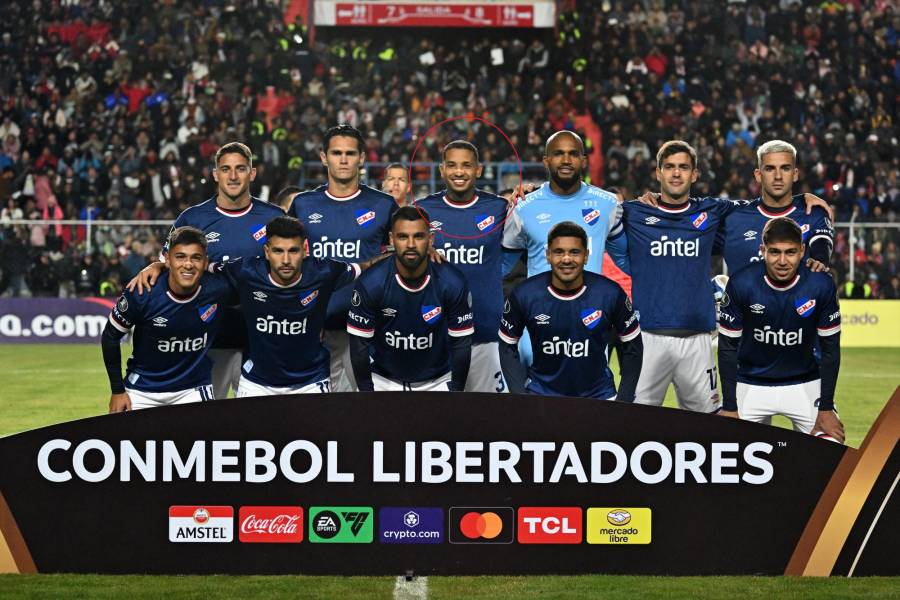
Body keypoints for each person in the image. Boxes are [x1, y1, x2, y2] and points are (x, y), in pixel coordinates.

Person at [131, 216, 388, 396]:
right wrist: (158, 265)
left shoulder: (324, 271)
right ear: (266, 251)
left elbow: (367, 266)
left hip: (311, 382)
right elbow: (196, 267)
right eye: (278, 251)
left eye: (293, 251)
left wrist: (407, 256)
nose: (285, 259)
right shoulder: (244, 270)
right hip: (256, 385)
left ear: (304, 251)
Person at [144, 142, 284, 399]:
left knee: (263, 425)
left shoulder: (275, 218)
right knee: (205, 428)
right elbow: (168, 264)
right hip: (207, 343)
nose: (233, 176)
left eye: (240, 169)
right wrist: (155, 264)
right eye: (226, 169)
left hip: (262, 342)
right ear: (215, 174)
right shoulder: (192, 219)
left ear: (252, 174)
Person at [618, 140, 738, 412]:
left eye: (683, 167)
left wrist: (802, 199)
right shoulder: (634, 212)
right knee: (631, 424)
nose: (676, 173)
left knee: (708, 427)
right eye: (669, 167)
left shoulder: (712, 211)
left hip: (697, 340)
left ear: (695, 174)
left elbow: (762, 207)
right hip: (646, 338)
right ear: (657, 173)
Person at [501, 130, 629, 365]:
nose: (566, 160)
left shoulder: (609, 205)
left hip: (590, 320)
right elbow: (502, 265)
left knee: (588, 398)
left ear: (583, 160)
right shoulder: (523, 207)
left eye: (573, 153)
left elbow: (628, 261)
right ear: (546, 161)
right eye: (558, 153)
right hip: (537, 321)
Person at [289, 124, 399, 391]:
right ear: (324, 157)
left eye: (350, 153)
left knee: (363, 416)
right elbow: (286, 264)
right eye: (336, 153)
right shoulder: (303, 205)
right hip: (312, 330)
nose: (344, 159)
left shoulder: (384, 205)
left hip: (369, 331)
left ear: (362, 157)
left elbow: (401, 255)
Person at [718, 217, 843, 440]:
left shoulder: (821, 284)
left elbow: (830, 349)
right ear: (762, 250)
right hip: (750, 382)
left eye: (791, 252)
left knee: (832, 445)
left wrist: (826, 407)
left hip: (805, 381)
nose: (783, 261)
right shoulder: (741, 282)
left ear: (803, 250)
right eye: (774, 252)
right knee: (724, 449)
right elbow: (727, 348)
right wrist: (729, 406)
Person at [499, 221, 642, 400]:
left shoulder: (610, 293)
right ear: (548, 255)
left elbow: (633, 346)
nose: (567, 259)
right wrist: (519, 395)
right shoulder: (525, 294)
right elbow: (507, 344)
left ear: (586, 256)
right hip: (541, 396)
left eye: (575, 252)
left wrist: (624, 399)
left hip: (600, 397)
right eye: (559, 252)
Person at [416, 140, 511, 393]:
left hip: (487, 332)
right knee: (439, 421)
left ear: (478, 170)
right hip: (437, 335)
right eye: (453, 165)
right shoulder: (422, 211)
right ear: (442, 170)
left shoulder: (499, 208)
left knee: (490, 422)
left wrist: (526, 194)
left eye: (467, 165)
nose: (459, 172)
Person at [102, 227, 232, 411]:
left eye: (196, 257)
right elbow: (110, 336)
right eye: (180, 257)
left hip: (192, 389)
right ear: (168, 260)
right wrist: (117, 391)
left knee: (203, 438)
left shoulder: (219, 289)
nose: (188, 264)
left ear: (205, 262)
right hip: (142, 389)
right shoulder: (142, 291)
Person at [347, 206, 473, 392]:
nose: (411, 244)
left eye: (419, 236)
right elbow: (359, 346)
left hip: (436, 380)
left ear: (430, 239)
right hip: (383, 378)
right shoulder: (371, 283)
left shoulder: (452, 282)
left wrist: (456, 392)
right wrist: (367, 395)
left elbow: (461, 344)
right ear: (391, 239)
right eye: (403, 237)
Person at [717, 140, 834, 271]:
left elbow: (822, 248)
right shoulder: (733, 217)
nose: (778, 176)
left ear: (795, 174)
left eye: (785, 168)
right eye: (770, 168)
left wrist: (819, 262)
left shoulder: (812, 211)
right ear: (758, 175)